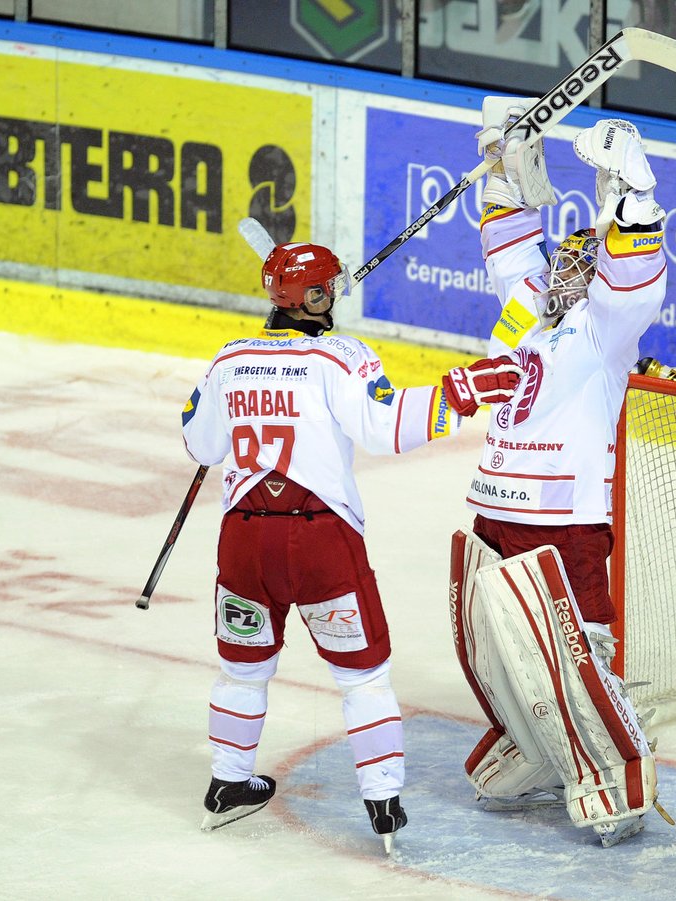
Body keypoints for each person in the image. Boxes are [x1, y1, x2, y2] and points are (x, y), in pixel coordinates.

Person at [180, 236, 520, 851]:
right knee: (363, 678)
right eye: (325, 287)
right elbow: (386, 427)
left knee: (241, 669)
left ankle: (228, 784)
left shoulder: (227, 359)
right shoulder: (341, 358)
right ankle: (383, 804)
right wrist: (461, 392)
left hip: (244, 544)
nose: (333, 294)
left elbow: (200, 444)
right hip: (320, 544)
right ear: (308, 297)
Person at [448, 100, 669, 847]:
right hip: (495, 505)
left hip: (566, 516)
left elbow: (634, 274)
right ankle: (542, 750)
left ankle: (622, 780)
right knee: (494, 645)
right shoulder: (527, 306)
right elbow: (509, 246)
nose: (567, 266)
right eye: (563, 258)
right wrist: (504, 161)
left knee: (580, 654)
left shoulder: (607, 328)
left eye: (583, 259)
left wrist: (634, 191)